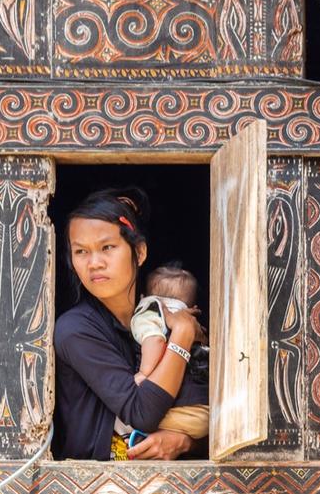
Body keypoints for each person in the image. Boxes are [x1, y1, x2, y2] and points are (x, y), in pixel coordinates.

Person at [54, 187, 208, 460]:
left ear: (139, 252)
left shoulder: (162, 315)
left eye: (107, 247)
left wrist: (185, 441)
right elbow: (143, 413)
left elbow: (212, 413)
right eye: (80, 251)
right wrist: (182, 334)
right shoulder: (75, 330)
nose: (94, 263)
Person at [131, 263, 210, 439]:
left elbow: (156, 340)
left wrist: (145, 373)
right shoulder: (195, 326)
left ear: (143, 297)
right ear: (194, 308)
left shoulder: (149, 312)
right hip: (206, 416)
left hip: (172, 414)